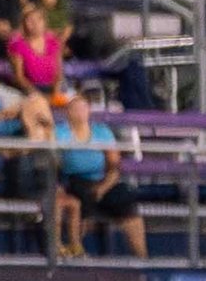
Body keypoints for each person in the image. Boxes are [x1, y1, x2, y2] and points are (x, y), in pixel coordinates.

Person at [53, 96, 144, 258]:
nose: (80, 112)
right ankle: (76, 252)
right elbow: (54, 163)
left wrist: (104, 187)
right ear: (68, 113)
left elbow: (114, 166)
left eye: (83, 108)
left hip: (102, 180)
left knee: (126, 200)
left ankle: (142, 259)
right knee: (81, 195)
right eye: (75, 109)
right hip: (74, 180)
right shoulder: (60, 133)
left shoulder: (102, 132)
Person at [7, 2, 62, 99]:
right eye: (30, 20)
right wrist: (36, 94)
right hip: (28, 90)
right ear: (24, 23)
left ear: (44, 21)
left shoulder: (53, 42)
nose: (35, 24)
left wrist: (56, 93)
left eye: (39, 19)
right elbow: (19, 77)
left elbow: (58, 72)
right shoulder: (18, 45)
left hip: (52, 89)